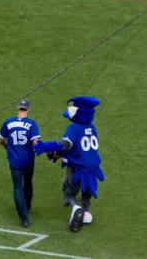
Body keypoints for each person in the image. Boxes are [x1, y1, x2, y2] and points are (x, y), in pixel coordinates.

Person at [34, 96, 104, 232]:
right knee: (87, 189)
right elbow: (78, 148)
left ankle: (75, 208)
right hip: (93, 166)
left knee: (69, 190)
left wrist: (46, 147)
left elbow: (66, 145)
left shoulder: (74, 127)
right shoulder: (92, 126)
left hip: (78, 167)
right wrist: (60, 155)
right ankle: (85, 211)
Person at [0, 99, 41, 227]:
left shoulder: (8, 122)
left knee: (17, 187)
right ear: (28, 109)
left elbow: (1, 140)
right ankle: (27, 207)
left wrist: (7, 146)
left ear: (18, 108)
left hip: (14, 161)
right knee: (28, 183)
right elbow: (35, 142)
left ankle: (24, 218)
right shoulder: (32, 124)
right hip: (28, 160)